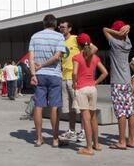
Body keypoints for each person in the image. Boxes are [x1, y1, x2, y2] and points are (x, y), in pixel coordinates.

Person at [29, 14, 66, 147]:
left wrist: (33, 74)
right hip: (54, 75)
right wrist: (44, 65)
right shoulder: (59, 36)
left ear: (43, 24)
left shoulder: (34, 36)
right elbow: (57, 57)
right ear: (55, 25)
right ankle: (55, 139)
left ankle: (39, 138)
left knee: (38, 106)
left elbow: (31, 58)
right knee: (54, 107)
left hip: (39, 75)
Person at [58, 20, 98, 142]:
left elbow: (94, 48)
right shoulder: (60, 41)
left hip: (74, 78)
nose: (61, 29)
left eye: (64, 27)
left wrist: (84, 60)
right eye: (60, 27)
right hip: (64, 77)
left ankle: (84, 131)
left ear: (70, 28)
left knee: (80, 107)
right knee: (70, 108)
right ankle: (72, 130)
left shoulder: (76, 39)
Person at [72, 33, 108, 155]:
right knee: (93, 118)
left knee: (86, 119)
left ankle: (88, 148)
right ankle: (96, 144)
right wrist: (95, 82)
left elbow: (75, 73)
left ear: (78, 44)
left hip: (82, 89)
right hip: (92, 89)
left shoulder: (77, 57)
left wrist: (74, 83)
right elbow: (105, 73)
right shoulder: (94, 57)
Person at [103, 20, 134, 150]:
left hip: (117, 83)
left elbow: (105, 29)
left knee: (121, 113)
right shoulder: (128, 44)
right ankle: (131, 140)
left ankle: (122, 141)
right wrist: (125, 29)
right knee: (130, 112)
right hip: (127, 82)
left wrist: (117, 32)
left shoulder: (114, 43)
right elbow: (122, 33)